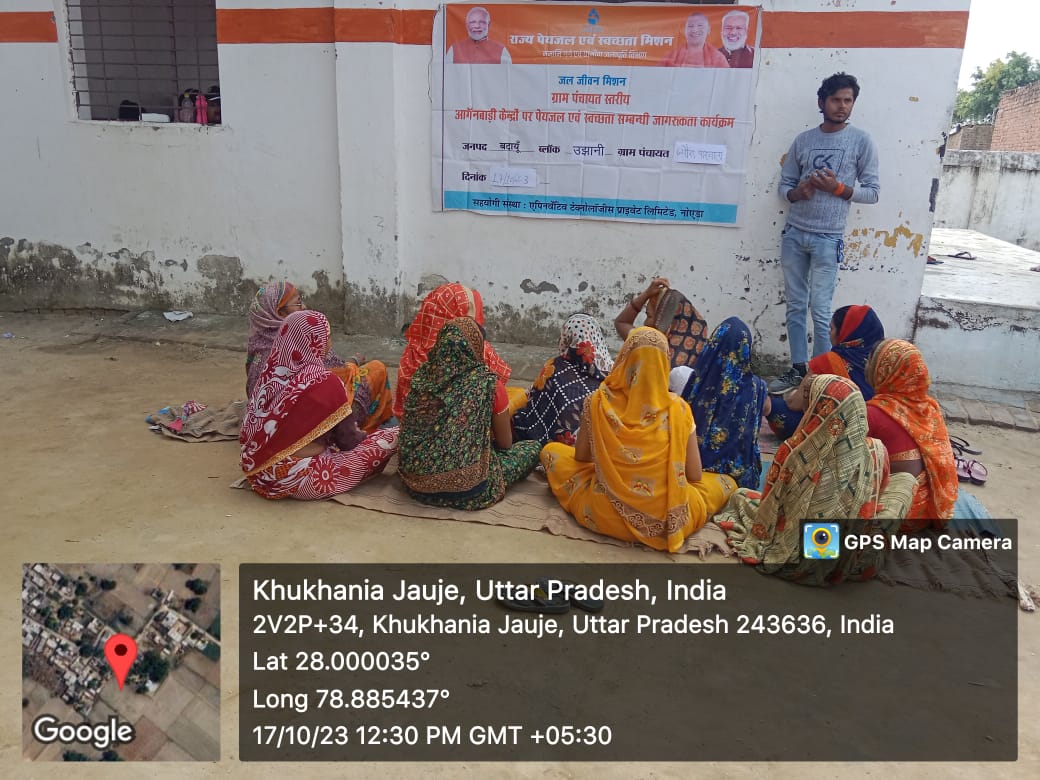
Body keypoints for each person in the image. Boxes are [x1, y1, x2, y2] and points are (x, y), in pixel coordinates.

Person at [541, 327, 738, 553]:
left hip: (601, 513)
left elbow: (582, 457)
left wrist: (613, 463)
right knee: (725, 483)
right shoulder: (679, 409)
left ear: (624, 359)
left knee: (551, 451)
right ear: (664, 363)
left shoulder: (598, 402)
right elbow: (694, 475)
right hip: (666, 522)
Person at [715, 375, 916, 585]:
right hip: (851, 556)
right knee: (904, 482)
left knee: (740, 496)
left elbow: (773, 505)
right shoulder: (876, 450)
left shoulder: (794, 452)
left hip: (801, 550)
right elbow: (877, 494)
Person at [770, 72, 880, 394]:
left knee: (820, 311)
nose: (842, 106)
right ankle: (798, 369)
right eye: (835, 100)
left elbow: (873, 192)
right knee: (795, 306)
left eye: (848, 100)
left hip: (828, 239)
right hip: (795, 234)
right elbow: (785, 185)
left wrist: (838, 188)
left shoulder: (861, 141)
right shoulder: (803, 140)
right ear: (821, 103)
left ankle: (820, 378)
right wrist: (798, 193)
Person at [240, 311, 399, 500]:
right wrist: (365, 436)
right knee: (393, 435)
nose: (329, 343)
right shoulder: (326, 382)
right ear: (315, 342)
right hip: (301, 479)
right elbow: (348, 442)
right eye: (327, 337)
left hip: (260, 473)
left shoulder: (269, 374)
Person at [399, 317, 541, 510]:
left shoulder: (421, 379)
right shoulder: (488, 384)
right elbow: (505, 444)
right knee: (532, 449)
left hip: (416, 483)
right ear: (475, 348)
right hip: (471, 489)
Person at [246, 283, 393, 431]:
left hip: (267, 427)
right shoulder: (297, 341)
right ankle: (380, 422)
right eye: (298, 303)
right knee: (377, 369)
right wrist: (352, 363)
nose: (304, 307)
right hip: (314, 429)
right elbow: (329, 383)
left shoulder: (259, 345)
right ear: (279, 312)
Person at [865, 339, 958, 534]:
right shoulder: (930, 407)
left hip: (900, 511)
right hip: (930, 507)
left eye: (870, 361)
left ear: (884, 370)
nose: (865, 365)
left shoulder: (873, 413)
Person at [394, 282, 514, 418]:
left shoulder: (412, 353)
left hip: (411, 426)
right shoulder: (475, 349)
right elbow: (496, 388)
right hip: (462, 425)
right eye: (470, 307)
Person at [767, 304, 884, 439]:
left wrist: (791, 394)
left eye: (832, 328)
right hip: (877, 431)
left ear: (844, 333)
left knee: (772, 405)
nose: (829, 333)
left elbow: (794, 404)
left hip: (838, 433)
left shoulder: (828, 362)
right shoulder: (885, 360)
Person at [680, 317, 770, 489]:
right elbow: (767, 409)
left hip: (697, 468)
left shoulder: (700, 380)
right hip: (740, 477)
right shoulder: (757, 387)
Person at [514, 314, 614, 447]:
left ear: (566, 338)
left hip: (559, 444)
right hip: (597, 446)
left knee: (519, 417)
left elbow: (535, 400)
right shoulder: (613, 374)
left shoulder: (555, 367)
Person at [614, 277, 709, 368]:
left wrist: (646, 294)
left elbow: (621, 322)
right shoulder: (698, 364)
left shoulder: (647, 347)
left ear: (666, 323)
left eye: (649, 316)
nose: (645, 322)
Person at [445, 7, 512, 64]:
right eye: (473, 22)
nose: (477, 26)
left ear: (488, 25)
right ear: (467, 25)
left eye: (482, 22)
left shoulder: (502, 51)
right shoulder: (454, 50)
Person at [662, 13, 730, 69]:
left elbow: (725, 79)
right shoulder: (671, 55)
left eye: (700, 25)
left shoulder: (718, 58)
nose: (694, 30)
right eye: (690, 26)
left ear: (708, 29)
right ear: (684, 30)